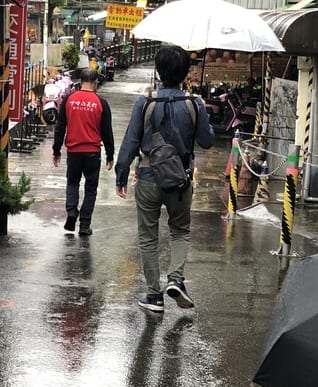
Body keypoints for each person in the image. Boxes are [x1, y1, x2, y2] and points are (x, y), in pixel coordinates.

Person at [114, 44, 215, 313]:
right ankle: (176, 279)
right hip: (180, 180)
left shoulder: (144, 102)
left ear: (158, 71)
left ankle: (154, 296)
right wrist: (201, 112)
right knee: (180, 230)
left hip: (147, 176)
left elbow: (131, 141)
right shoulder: (193, 104)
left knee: (148, 237)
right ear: (185, 72)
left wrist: (121, 174)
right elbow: (207, 141)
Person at [52, 67, 115, 236]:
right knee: (91, 188)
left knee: (72, 183)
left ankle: (72, 211)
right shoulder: (101, 103)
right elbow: (107, 131)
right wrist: (110, 154)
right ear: (95, 83)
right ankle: (85, 224)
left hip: (73, 151)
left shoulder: (69, 99)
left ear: (80, 82)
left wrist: (56, 150)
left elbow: (60, 127)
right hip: (92, 152)